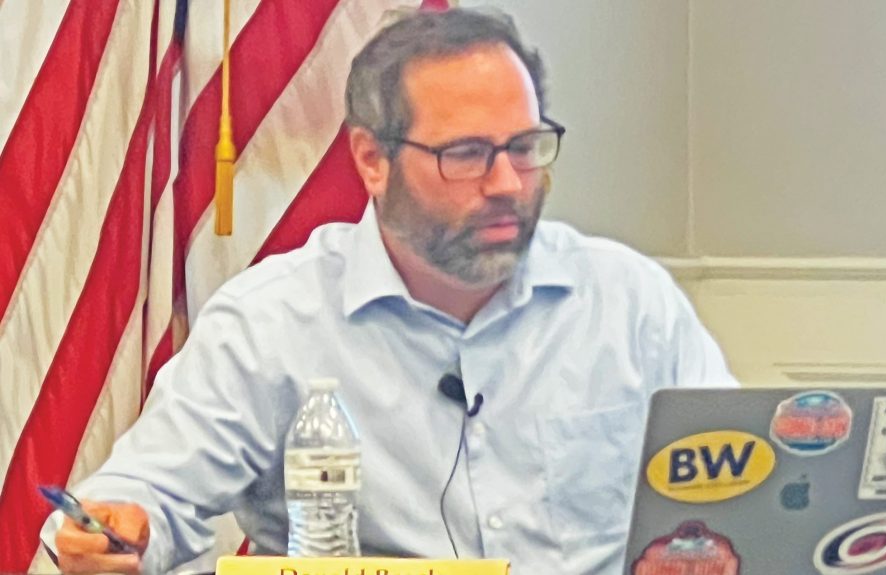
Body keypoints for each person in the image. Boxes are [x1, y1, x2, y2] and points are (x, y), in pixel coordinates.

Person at [43, 8, 735, 575]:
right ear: (372, 160)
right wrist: (116, 530)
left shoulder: (630, 303)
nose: (506, 184)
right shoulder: (272, 321)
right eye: (466, 154)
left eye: (524, 148)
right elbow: (141, 494)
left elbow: (743, 489)